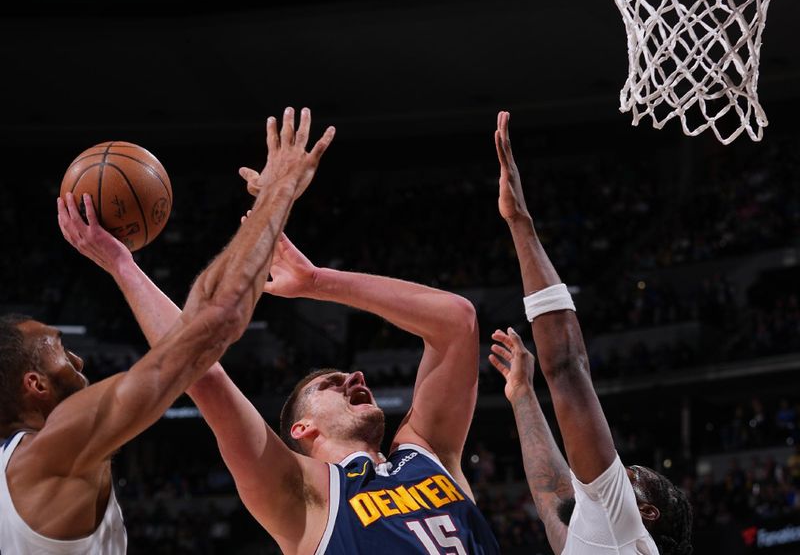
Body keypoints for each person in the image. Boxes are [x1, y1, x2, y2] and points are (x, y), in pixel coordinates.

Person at [59, 140, 500, 554]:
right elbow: (200, 371)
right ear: (302, 429)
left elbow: (456, 321)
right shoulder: (300, 492)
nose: (355, 376)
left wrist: (316, 281)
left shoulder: (428, 452)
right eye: (330, 383)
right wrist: (120, 264)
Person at [1, 106, 334, 554]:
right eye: (59, 349)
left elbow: (200, 365)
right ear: (34, 383)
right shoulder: (57, 447)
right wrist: (279, 191)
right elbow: (214, 323)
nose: (78, 360)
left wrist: (121, 264)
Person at [488, 111, 693, 555]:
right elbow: (555, 497)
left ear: (648, 511)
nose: (613, 471)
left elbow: (566, 367)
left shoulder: (625, 529)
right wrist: (522, 394)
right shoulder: (610, 536)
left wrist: (520, 222)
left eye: (628, 475)